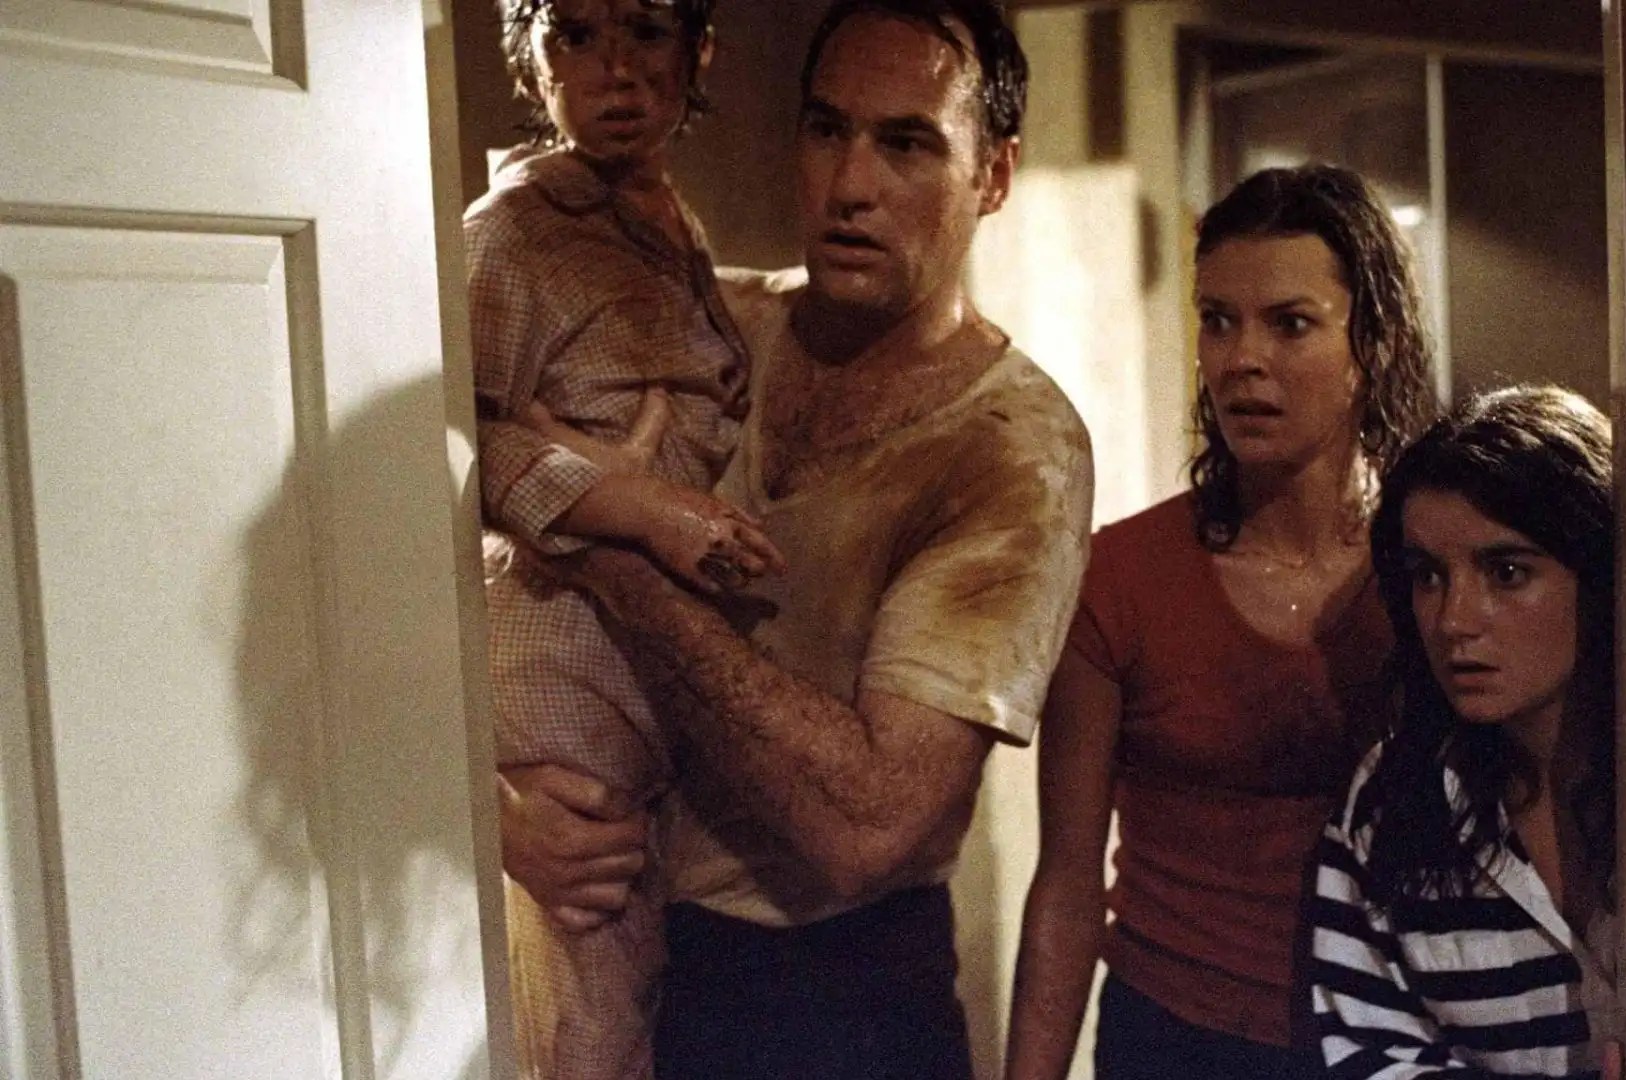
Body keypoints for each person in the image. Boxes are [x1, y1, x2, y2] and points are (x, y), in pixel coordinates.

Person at [498, 2, 1096, 1077]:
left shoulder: (1014, 448)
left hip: (836, 998)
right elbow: (432, 558)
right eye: (827, 130)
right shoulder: (709, 325)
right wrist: (495, 810)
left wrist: (609, 538)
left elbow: (868, 828)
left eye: (906, 143)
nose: (851, 184)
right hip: (621, 935)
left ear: (994, 175)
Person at [1004, 165, 1437, 1080]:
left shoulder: (1434, 569)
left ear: (1374, 340)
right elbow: (1068, 880)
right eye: (1218, 320)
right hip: (1176, 1032)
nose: (1243, 359)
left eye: (1291, 324)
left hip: (1391, 1029)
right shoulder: (1123, 578)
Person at [467, 2, 786, 1076]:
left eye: (646, 31)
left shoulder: (664, 221)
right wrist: (641, 506)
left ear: (699, 51)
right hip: (555, 683)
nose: (614, 69)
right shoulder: (511, 233)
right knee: (588, 1039)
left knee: (633, 1016)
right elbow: (449, 450)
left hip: (633, 689)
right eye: (575, 33)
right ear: (532, 57)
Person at [1305, 386, 1624, 1079]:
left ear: (1602, 575)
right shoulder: (1398, 793)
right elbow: (1370, 1054)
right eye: (1428, 576)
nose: (1454, 620)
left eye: (1507, 573)